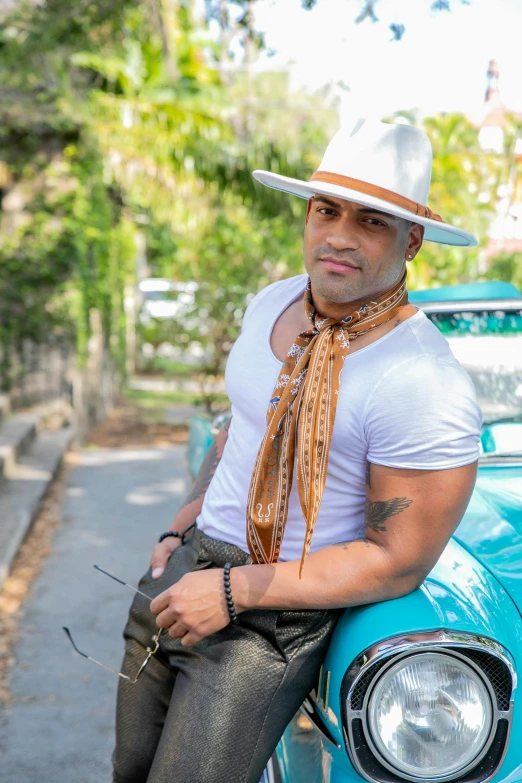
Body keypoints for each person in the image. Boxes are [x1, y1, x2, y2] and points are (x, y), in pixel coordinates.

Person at [112, 118, 481, 783]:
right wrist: (180, 523)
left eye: (372, 221)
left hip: (266, 619)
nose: (339, 235)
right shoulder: (273, 301)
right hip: (184, 576)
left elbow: (397, 562)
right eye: (326, 209)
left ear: (413, 240)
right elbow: (241, 429)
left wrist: (231, 589)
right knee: (129, 772)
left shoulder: (422, 379)